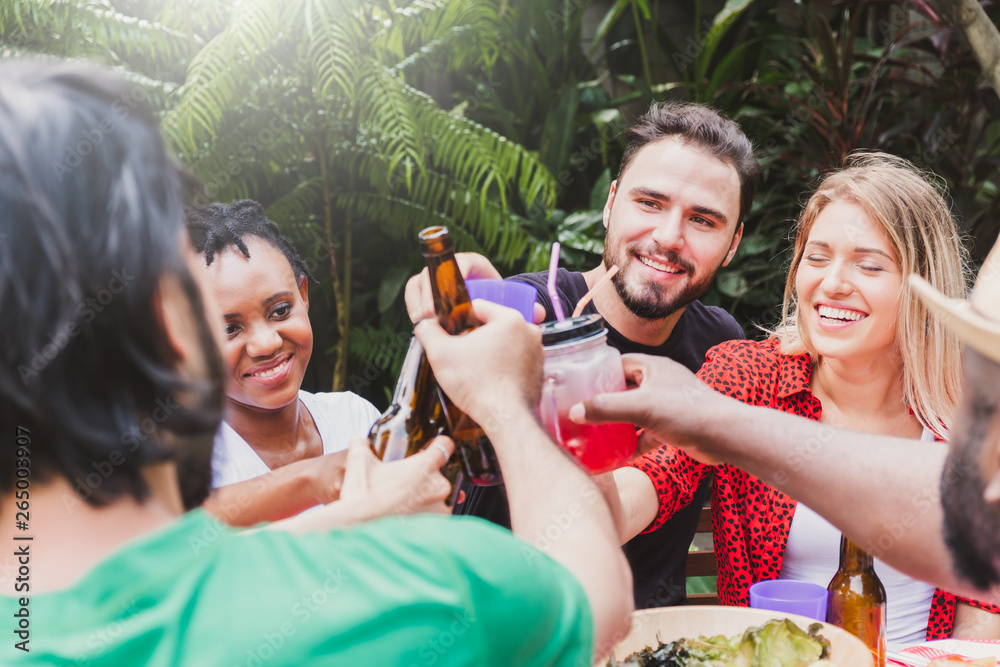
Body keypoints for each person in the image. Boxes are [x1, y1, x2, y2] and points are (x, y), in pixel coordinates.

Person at [0, 60, 632, 664]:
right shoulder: (418, 592)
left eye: (278, 310)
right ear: (173, 324)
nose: (265, 342)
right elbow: (593, 601)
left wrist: (336, 524)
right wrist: (506, 407)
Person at [596, 153, 1000, 646]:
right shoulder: (749, 379)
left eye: (869, 265)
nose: (832, 284)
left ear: (922, 284)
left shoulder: (974, 410)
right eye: (817, 257)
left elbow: (983, 618)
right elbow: (645, 488)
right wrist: (582, 443)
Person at [406, 101, 758, 609]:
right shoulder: (525, 319)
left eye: (703, 220)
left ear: (733, 242)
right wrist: (460, 302)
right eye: (650, 203)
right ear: (611, 203)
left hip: (651, 641)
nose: (667, 237)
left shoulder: (721, 348)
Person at [185, 201, 379, 526]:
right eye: (229, 329)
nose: (267, 344)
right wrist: (312, 479)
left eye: (280, 310)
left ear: (303, 294)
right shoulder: (188, 470)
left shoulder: (356, 420)